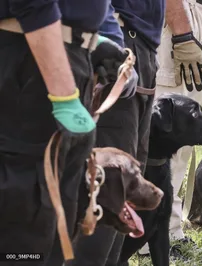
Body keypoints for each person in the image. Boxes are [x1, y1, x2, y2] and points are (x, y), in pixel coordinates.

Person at [0, 1, 116, 265]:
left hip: (62, 57)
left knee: (56, 224)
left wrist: (90, 39)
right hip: (32, 63)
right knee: (22, 233)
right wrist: (63, 94)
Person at [66, 1, 164, 265]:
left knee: (126, 189)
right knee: (106, 187)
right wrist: (113, 45)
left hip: (142, 49)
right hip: (117, 46)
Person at [136, 0, 202, 260]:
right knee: (168, 133)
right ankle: (147, 236)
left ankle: (170, 229)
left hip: (200, 14)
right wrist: (182, 31)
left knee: (186, 139)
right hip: (179, 15)